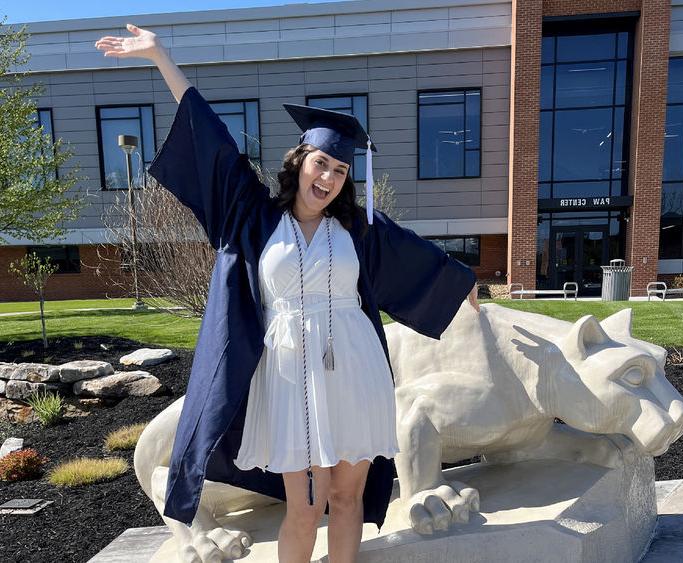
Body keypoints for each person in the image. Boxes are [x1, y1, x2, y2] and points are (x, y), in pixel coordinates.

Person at [96, 24, 480, 563]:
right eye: (322, 163)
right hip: (288, 376)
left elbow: (417, 257)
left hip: (355, 370)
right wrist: (161, 57)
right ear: (300, 160)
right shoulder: (251, 214)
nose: (329, 177)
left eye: (341, 169)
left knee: (346, 498)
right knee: (306, 504)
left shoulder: (359, 229)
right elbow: (211, 138)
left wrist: (462, 283)